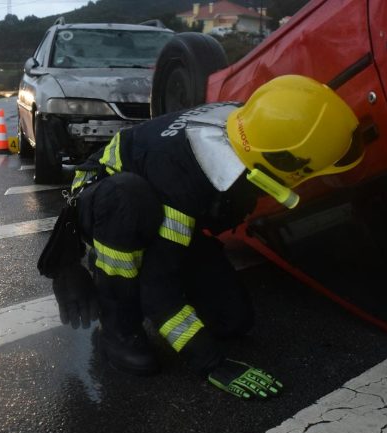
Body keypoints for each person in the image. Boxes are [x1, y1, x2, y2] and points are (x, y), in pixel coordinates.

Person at [37, 75, 364, 399]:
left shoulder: (255, 126)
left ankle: (142, 258)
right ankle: (117, 326)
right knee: (129, 202)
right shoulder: (185, 179)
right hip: (109, 201)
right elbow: (158, 289)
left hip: (161, 201)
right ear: (286, 163)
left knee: (231, 320)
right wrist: (211, 363)